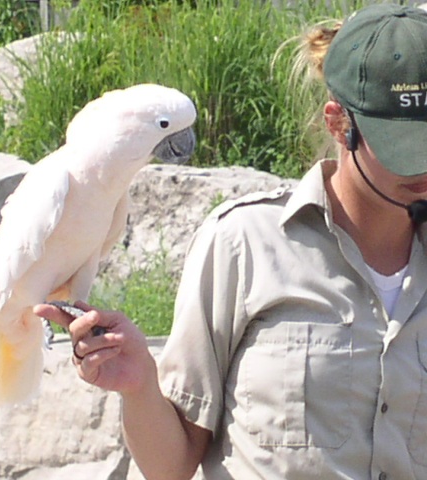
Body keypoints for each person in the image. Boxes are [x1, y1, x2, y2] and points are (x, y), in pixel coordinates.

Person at [35, 3, 427, 479]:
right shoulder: (245, 244)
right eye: (405, 145)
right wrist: (139, 385)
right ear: (338, 124)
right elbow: (172, 466)